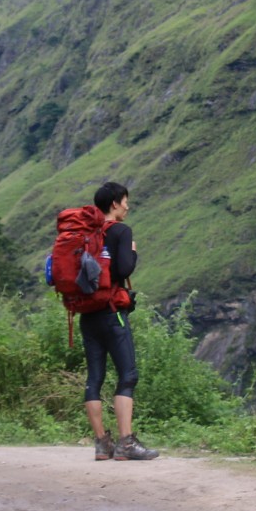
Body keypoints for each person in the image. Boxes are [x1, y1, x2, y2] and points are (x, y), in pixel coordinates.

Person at [80, 182, 158, 462]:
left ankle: (102, 443)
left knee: (94, 378)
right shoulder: (121, 231)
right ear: (114, 203)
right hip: (113, 313)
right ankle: (126, 444)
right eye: (125, 201)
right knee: (128, 374)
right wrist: (133, 251)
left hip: (87, 316)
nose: (128, 205)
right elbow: (124, 268)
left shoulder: (85, 232)